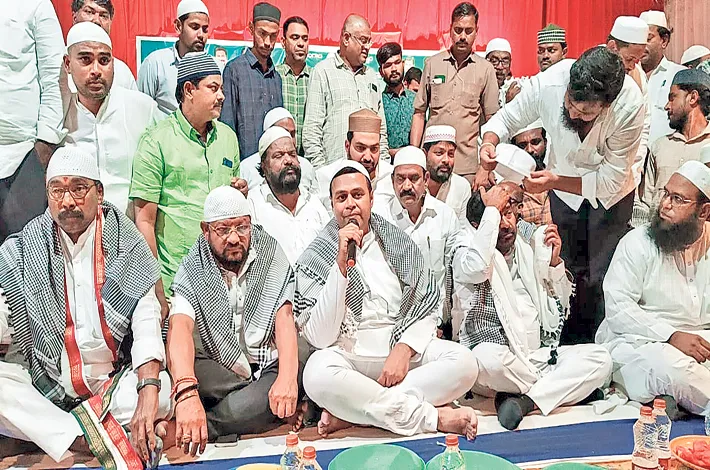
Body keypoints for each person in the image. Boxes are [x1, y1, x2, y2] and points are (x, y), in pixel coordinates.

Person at [0, 149, 171, 467]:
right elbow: (7, 316)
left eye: (78, 188)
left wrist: (147, 388)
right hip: (49, 383)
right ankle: (89, 436)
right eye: (57, 190)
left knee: (161, 392)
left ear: (99, 192)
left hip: (114, 381)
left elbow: (147, 317)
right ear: (47, 195)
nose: (67, 201)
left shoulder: (126, 241)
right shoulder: (26, 246)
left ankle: (58, 434)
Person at [295, 161, 479, 438]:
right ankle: (432, 417)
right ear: (332, 205)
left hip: (398, 349)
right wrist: (340, 267)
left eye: (357, 195)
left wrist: (404, 349)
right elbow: (320, 338)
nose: (350, 204)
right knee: (316, 374)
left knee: (464, 363)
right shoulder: (317, 256)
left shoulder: (398, 243)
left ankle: (355, 413)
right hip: (350, 356)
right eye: (341, 197)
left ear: (371, 198)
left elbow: (426, 304)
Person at [479, 47, 645, 344]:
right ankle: (565, 344)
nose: (572, 113)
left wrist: (554, 181)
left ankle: (601, 348)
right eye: (569, 103)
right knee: (566, 267)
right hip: (563, 192)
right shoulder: (550, 83)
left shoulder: (630, 105)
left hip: (611, 197)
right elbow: (507, 119)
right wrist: (488, 144)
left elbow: (610, 180)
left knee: (603, 277)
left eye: (585, 112)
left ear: (607, 104)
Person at [455, 185, 611, 430]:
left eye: (508, 214)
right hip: (499, 364)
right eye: (497, 217)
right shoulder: (466, 250)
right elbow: (476, 269)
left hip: (535, 357)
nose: (505, 224)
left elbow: (560, 306)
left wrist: (555, 263)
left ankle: (525, 401)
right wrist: (491, 211)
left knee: (600, 358)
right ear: (479, 225)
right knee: (485, 360)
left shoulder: (527, 249)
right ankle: (564, 390)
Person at [167, 186, 304, 447]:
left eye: (242, 227)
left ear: (250, 223)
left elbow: (284, 316)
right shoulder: (195, 264)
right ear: (205, 230)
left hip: (267, 365)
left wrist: (287, 380)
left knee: (300, 358)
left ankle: (199, 425)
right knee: (181, 363)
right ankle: (261, 411)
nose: (233, 238)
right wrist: (186, 393)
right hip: (221, 369)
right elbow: (180, 325)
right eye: (223, 229)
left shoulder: (269, 252)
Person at [130, 52, 243, 313]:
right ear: (189, 90)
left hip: (223, 281)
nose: (221, 96)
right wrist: (157, 289)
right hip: (175, 282)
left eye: (221, 89)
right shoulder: (156, 141)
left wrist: (239, 193)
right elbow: (144, 221)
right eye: (213, 88)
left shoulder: (228, 138)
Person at [597, 161, 710, 418]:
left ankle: (672, 399)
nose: (665, 205)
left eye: (678, 199)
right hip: (643, 342)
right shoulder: (637, 243)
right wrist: (671, 335)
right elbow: (619, 310)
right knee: (670, 368)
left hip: (700, 342)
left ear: (704, 211)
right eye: (666, 194)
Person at [61, 22, 161, 217]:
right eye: (85, 59)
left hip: (132, 227)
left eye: (104, 60)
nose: (96, 70)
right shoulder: (59, 115)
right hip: (76, 227)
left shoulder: (143, 108)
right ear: (68, 64)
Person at [374, 147, 479, 329]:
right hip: (392, 320)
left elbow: (456, 272)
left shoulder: (444, 215)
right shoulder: (380, 217)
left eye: (414, 178)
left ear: (426, 179)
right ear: (392, 181)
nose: (407, 186)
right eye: (400, 179)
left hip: (436, 320)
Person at [410, 2, 499, 182]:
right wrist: (414, 156)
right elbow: (419, 113)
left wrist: (486, 167)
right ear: (450, 30)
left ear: (476, 31)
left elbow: (493, 120)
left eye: (468, 31)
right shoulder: (432, 64)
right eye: (458, 30)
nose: (463, 36)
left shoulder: (486, 69)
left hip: (466, 167)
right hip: (432, 165)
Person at [0, 0, 64, 243]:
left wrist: (43, 149)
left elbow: (55, 79)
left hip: (22, 156)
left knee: (24, 250)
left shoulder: (36, 4)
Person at [302, 15, 389, 168]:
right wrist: (321, 171)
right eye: (363, 40)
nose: (368, 47)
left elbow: (380, 129)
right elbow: (312, 129)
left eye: (369, 41)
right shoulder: (323, 71)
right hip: (334, 170)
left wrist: (384, 167)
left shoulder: (371, 77)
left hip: (370, 172)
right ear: (346, 38)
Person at [637, 69, 710, 223]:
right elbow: (644, 203)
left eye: (672, 98)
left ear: (693, 97)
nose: (666, 106)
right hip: (656, 234)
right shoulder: (660, 146)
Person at [248, 126, 329, 264]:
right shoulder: (252, 205)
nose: (288, 160)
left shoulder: (313, 203)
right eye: (278, 156)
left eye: (292, 154)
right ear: (264, 166)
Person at [220, 2, 284, 159]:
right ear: (251, 29)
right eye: (262, 33)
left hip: (272, 165)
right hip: (242, 163)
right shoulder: (234, 70)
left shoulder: (276, 78)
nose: (267, 42)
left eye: (273, 36)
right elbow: (226, 125)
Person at [137, 0, 209, 115]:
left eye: (205, 29)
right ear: (178, 26)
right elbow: (141, 111)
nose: (201, 35)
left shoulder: (216, 68)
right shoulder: (156, 64)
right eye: (194, 27)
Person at [316, 109, 395, 211]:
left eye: (374, 149)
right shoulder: (325, 177)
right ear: (347, 146)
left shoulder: (391, 177)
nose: (367, 157)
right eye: (360, 148)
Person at [607, 16, 651, 192]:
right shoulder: (589, 66)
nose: (633, 66)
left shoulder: (638, 76)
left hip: (625, 177)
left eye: (637, 60)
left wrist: (636, 166)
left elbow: (644, 124)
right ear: (612, 47)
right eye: (629, 59)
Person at [240, 107, 317, 194]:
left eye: (292, 134)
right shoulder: (246, 168)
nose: (289, 139)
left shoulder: (306, 167)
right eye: (283, 132)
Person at [639, 11, 686, 144]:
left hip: (667, 152)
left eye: (648, 39)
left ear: (664, 41)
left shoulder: (679, 74)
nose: (641, 45)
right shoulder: (627, 74)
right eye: (638, 39)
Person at [70, 0, 137, 91]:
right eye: (89, 12)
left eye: (103, 16)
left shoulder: (122, 71)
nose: (97, 21)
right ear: (75, 17)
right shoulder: (55, 64)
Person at [422, 125, 471, 224]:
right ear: (425, 154)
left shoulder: (462, 186)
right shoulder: (414, 185)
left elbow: (463, 228)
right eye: (439, 153)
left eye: (451, 154)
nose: (446, 160)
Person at [276, 16, 311, 155]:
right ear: (283, 42)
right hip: (280, 155)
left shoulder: (317, 78)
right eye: (295, 38)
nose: (301, 43)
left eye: (305, 39)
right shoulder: (273, 76)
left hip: (309, 157)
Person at [378, 43, 417, 158]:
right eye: (388, 65)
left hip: (415, 162)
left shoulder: (416, 99)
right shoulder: (378, 103)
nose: (394, 69)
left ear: (403, 64)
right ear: (381, 72)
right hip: (386, 163)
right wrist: (396, 152)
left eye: (397, 62)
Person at [511, 121, 553, 226]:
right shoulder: (509, 189)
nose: (530, 150)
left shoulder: (558, 179)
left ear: (545, 143)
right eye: (522, 145)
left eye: (535, 142)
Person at [486, 38, 524, 107]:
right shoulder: (478, 87)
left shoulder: (517, 88)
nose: (500, 67)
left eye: (505, 62)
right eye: (494, 61)